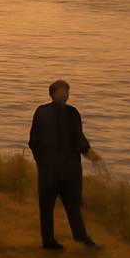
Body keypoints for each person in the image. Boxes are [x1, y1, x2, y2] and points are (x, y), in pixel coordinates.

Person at [28, 80, 102, 249]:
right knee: (46, 207)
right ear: (53, 93)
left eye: (67, 91)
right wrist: (41, 163)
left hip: (69, 170)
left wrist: (88, 152)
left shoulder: (72, 113)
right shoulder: (42, 112)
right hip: (49, 170)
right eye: (62, 91)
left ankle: (83, 238)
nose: (66, 94)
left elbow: (78, 137)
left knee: (73, 205)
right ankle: (48, 241)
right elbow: (33, 142)